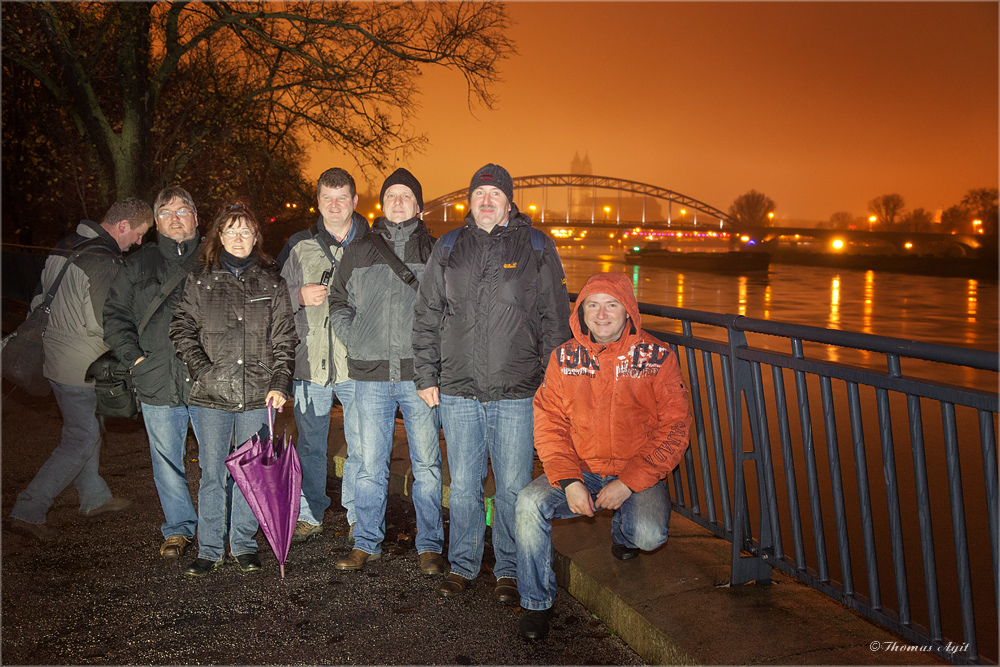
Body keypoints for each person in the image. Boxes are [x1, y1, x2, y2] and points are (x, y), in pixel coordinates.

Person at [412, 163, 571, 602]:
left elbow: (556, 321)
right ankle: (463, 564)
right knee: (463, 485)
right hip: (459, 389)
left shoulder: (537, 246)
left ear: (508, 201)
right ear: (470, 201)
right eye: (480, 194)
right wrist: (427, 375)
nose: (486, 201)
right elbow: (426, 315)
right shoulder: (448, 247)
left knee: (512, 486)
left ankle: (507, 569)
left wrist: (554, 385)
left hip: (518, 390)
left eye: (495, 195)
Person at [514, 272, 692, 640]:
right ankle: (536, 603)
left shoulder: (657, 357)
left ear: (628, 312)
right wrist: (570, 480)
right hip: (583, 468)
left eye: (612, 305)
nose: (602, 314)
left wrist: (629, 482)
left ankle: (624, 533)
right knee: (529, 502)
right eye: (592, 305)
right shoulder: (564, 358)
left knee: (648, 536)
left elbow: (676, 427)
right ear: (581, 313)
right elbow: (549, 423)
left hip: (635, 468)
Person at [8, 199, 154, 541]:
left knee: (84, 428)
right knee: (81, 437)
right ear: (122, 226)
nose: (138, 243)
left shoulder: (64, 246)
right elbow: (106, 322)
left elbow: (37, 301)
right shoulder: (103, 259)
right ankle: (28, 509)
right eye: (138, 233)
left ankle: (94, 496)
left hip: (54, 357)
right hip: (80, 364)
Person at [169, 202, 297, 576]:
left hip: (259, 395)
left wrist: (279, 383)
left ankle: (242, 543)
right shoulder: (200, 280)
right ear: (218, 237)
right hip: (211, 397)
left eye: (245, 231)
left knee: (250, 474)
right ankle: (210, 548)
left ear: (255, 237)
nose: (238, 238)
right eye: (231, 231)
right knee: (212, 473)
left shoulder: (272, 281)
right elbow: (181, 329)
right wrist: (203, 370)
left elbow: (285, 339)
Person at [328, 168, 445, 574]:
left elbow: (449, 308)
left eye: (405, 196)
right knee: (369, 463)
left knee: (427, 465)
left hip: (419, 376)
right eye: (391, 195)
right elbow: (337, 299)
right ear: (383, 203)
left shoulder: (435, 251)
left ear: (418, 205)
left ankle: (430, 544)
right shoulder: (360, 249)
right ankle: (366, 542)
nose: (398, 201)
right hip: (370, 374)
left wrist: (435, 356)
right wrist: (354, 337)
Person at [103, 186, 203, 559]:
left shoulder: (217, 258)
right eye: (166, 213)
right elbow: (115, 317)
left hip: (208, 380)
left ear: (196, 216)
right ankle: (178, 528)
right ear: (156, 223)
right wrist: (136, 361)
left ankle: (217, 527)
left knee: (217, 459)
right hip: (157, 378)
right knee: (165, 459)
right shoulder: (137, 264)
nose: (175, 218)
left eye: (182, 211)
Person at [276, 168, 369, 544]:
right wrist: (298, 295)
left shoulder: (372, 244)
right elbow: (272, 298)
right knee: (311, 444)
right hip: (309, 363)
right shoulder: (298, 245)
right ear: (318, 202)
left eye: (342, 198)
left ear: (354, 201)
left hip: (357, 365)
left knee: (362, 445)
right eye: (327, 199)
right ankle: (311, 513)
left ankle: (358, 516)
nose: (334, 206)